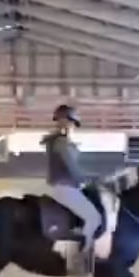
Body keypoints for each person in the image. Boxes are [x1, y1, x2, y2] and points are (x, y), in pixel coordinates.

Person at [40, 104, 101, 253]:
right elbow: (72, 166)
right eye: (72, 123)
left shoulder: (57, 141)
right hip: (66, 188)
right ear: (65, 121)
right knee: (94, 218)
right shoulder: (62, 142)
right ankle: (82, 254)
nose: (73, 127)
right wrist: (84, 180)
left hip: (61, 186)